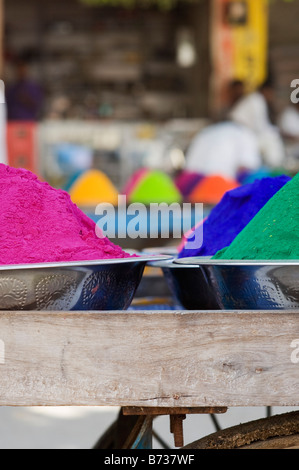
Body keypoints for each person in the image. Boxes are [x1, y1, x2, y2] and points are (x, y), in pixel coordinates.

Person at [228, 80, 286, 168]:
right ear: (266, 91)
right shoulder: (257, 100)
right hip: (239, 132)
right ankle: (276, 167)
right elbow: (260, 126)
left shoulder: (256, 99)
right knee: (272, 138)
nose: (272, 96)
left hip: (244, 131)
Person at [184, 121, 262, 180]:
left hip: (194, 190)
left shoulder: (205, 132)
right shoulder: (246, 134)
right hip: (223, 189)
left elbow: (188, 170)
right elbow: (246, 168)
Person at [6, 57, 43, 121]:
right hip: (13, 122)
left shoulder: (33, 87)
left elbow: (38, 105)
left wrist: (26, 99)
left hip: (28, 122)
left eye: (22, 69)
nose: (21, 72)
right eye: (19, 69)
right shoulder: (12, 88)